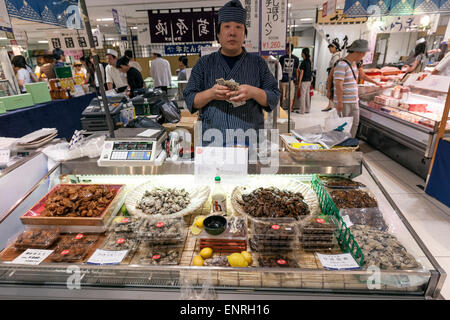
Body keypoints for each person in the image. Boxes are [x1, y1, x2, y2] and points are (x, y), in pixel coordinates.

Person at [183, 0, 280, 146]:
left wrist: (253, 92)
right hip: (213, 140)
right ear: (218, 34)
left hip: (249, 141)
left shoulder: (258, 63)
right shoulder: (204, 63)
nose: (232, 32)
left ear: (244, 34)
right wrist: (211, 93)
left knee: (251, 168)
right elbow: (190, 98)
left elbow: (273, 96)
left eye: (238, 27)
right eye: (227, 26)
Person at [333, 39, 370, 138]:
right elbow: (338, 84)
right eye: (363, 54)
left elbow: (361, 76)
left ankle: (350, 144)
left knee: (355, 123)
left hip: (354, 100)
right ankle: (341, 145)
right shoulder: (341, 65)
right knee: (343, 125)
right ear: (358, 52)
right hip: (344, 102)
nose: (363, 57)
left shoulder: (354, 65)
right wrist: (340, 102)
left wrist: (375, 83)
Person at [279, 43, 299, 111]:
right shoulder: (296, 59)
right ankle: (290, 109)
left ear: (287, 49)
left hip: (283, 80)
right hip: (291, 80)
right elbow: (296, 70)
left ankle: (281, 108)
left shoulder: (282, 58)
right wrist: (297, 80)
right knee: (291, 96)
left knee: (281, 95)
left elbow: (279, 69)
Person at [322, 41, 341, 112]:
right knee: (330, 90)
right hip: (331, 74)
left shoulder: (336, 56)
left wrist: (330, 77)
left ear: (335, 47)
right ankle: (330, 105)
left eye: (330, 47)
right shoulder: (335, 55)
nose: (329, 49)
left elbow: (334, 67)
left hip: (333, 75)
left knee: (331, 89)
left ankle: (331, 106)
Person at [297, 48, 313, 114]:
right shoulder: (309, 61)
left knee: (303, 95)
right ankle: (307, 109)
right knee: (307, 95)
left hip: (304, 80)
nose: (301, 54)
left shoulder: (303, 62)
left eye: (301, 52)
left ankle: (302, 110)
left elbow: (302, 73)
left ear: (303, 54)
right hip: (309, 80)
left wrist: (299, 82)